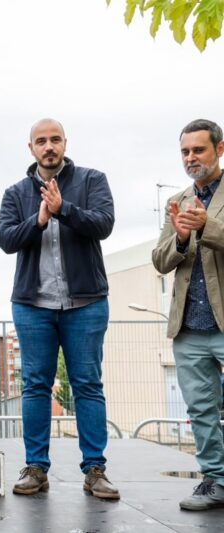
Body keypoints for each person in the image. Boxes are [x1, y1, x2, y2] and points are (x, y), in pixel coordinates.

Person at [0, 118, 118, 499]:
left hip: (86, 303)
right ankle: (36, 468)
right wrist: (39, 219)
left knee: (87, 385)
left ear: (65, 143)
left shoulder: (92, 181)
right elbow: (5, 240)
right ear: (30, 148)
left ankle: (95, 469)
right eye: (40, 141)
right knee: (35, 386)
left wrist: (64, 210)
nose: (48, 147)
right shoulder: (16, 192)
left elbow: (104, 224)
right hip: (33, 305)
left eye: (55, 140)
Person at [152, 119, 224, 511]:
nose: (191, 158)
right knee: (201, 410)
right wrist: (181, 237)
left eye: (199, 150)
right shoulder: (178, 200)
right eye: (185, 152)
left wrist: (208, 227)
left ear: (220, 149)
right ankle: (216, 480)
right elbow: (159, 260)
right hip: (190, 326)